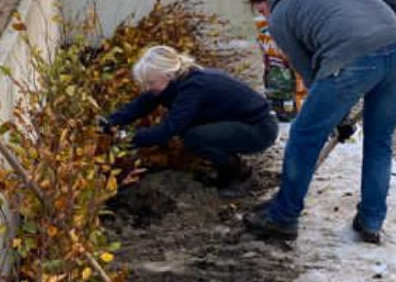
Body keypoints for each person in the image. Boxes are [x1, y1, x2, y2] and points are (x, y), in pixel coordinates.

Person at [243, 0, 396, 244]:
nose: (264, 19)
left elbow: (310, 74)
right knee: (380, 141)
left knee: (304, 137)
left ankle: (283, 217)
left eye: (261, 11)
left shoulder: (280, 16)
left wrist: (334, 116)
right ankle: (371, 220)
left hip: (351, 62)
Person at [102, 45, 279, 194]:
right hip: (243, 123)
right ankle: (228, 169)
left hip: (260, 128)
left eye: (150, 82)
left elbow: (168, 130)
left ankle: (239, 174)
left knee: (193, 137)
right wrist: (109, 123)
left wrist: (126, 139)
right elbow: (140, 106)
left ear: (168, 75)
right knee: (194, 132)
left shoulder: (193, 87)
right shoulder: (172, 83)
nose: (148, 88)